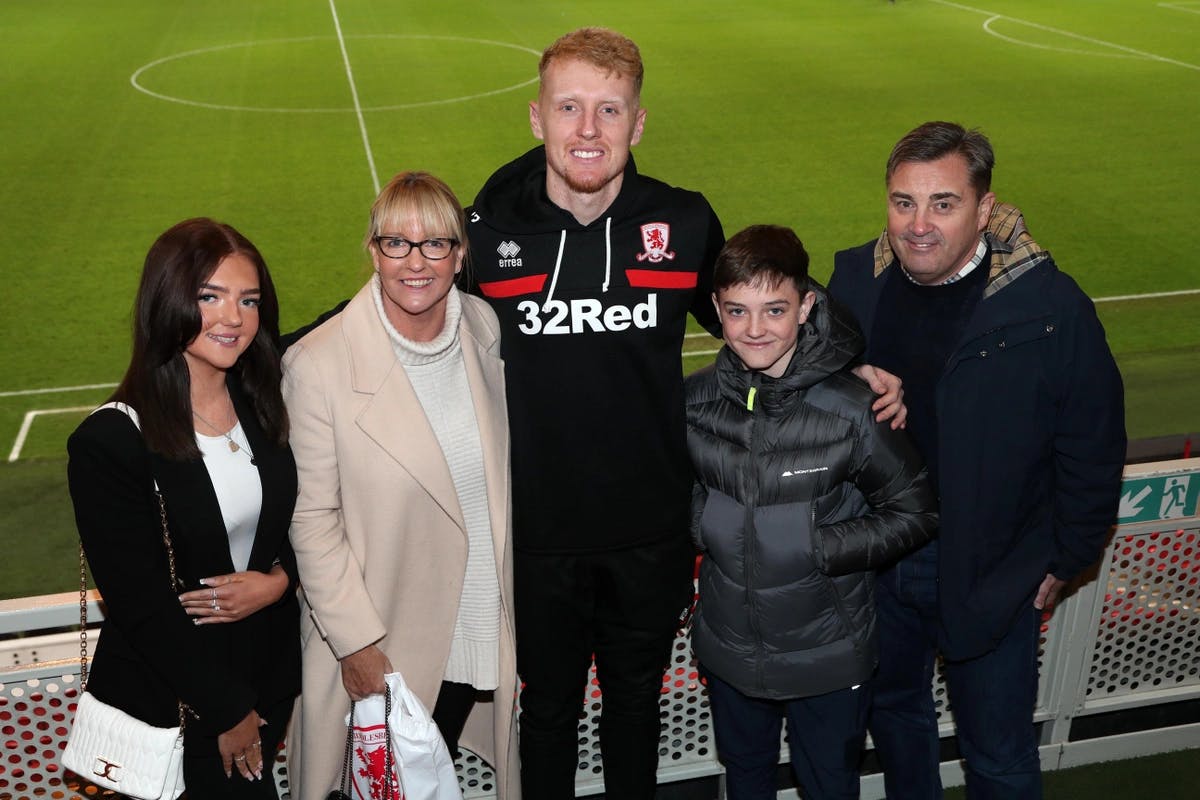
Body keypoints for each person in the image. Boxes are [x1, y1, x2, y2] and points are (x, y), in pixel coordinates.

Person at [461, 27, 907, 799]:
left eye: (609, 110)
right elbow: (406, 313)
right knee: (548, 711)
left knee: (635, 708)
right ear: (538, 118)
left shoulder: (683, 222)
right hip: (533, 536)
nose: (588, 130)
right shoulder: (488, 229)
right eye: (570, 107)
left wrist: (844, 361)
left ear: (638, 124)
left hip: (650, 533)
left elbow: (755, 313)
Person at [828, 121, 1126, 798]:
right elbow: (813, 393)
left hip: (990, 566)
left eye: (943, 203)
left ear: (984, 209)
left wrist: (1063, 555)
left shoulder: (1051, 308)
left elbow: (1093, 442)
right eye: (903, 202)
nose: (918, 225)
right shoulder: (853, 281)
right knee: (895, 719)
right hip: (878, 560)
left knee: (997, 754)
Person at [282, 171, 518, 800]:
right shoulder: (317, 365)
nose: (416, 262)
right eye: (397, 243)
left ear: (461, 254)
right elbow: (312, 521)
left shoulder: (484, 330)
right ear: (372, 249)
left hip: (475, 628)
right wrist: (357, 644)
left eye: (435, 243)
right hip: (382, 642)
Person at [684, 225, 938, 799]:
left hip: (828, 658)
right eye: (737, 311)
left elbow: (916, 512)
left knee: (827, 786)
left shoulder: (853, 407)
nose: (755, 329)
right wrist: (706, 524)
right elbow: (677, 492)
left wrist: (817, 546)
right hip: (729, 651)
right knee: (746, 781)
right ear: (718, 312)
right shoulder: (694, 401)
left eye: (774, 309)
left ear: (806, 307)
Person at [66, 217, 301, 798]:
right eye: (209, 297)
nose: (234, 318)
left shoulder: (262, 403)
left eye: (248, 300)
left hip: (266, 682)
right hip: (183, 704)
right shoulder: (111, 441)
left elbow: (293, 521)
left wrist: (278, 582)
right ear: (167, 300)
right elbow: (140, 604)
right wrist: (226, 710)